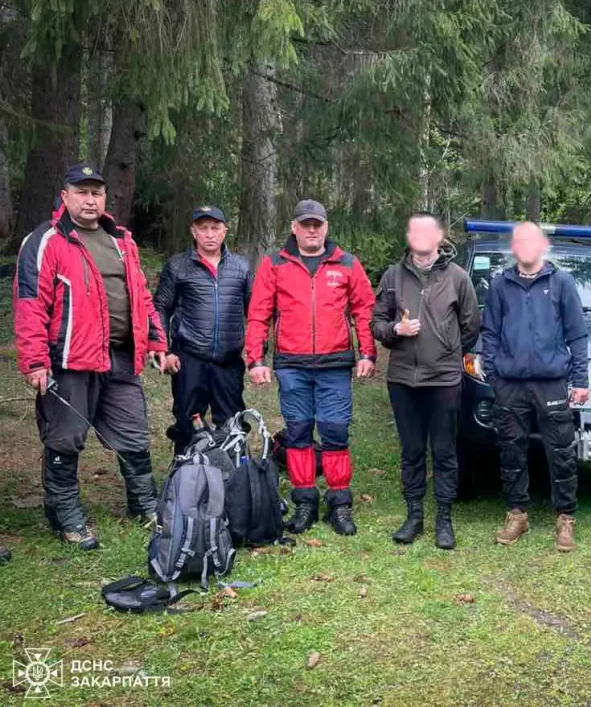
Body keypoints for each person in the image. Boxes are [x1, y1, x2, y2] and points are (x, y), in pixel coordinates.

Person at [13, 164, 167, 550]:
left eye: (96, 192)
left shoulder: (121, 240)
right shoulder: (46, 240)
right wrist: (34, 360)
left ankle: (146, 506)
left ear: (104, 198)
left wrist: (156, 340)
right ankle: (65, 515)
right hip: (69, 360)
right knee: (65, 438)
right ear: (65, 197)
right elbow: (30, 301)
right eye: (81, 192)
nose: (89, 199)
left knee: (133, 434)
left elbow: (140, 296)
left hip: (120, 357)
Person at [245, 199, 376, 536]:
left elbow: (364, 310)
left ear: (326, 227)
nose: (312, 230)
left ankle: (339, 503)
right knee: (298, 434)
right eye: (306, 224)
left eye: (317, 224)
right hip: (292, 366)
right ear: (294, 227)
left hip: (335, 365)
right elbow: (259, 312)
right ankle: (305, 501)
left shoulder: (346, 264)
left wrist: (367, 353)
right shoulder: (275, 264)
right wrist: (256, 359)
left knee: (335, 433)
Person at [371, 213, 481, 549]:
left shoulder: (458, 277)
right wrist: (395, 331)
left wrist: (446, 351)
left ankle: (443, 519)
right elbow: (376, 322)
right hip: (403, 379)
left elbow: (471, 326)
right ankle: (414, 514)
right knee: (412, 451)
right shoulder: (393, 276)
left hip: (444, 380)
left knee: (445, 452)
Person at [481, 221, 589, 552]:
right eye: (519, 241)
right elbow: (489, 333)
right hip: (510, 384)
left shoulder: (561, 283)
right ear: (514, 248)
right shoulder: (500, 284)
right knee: (511, 449)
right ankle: (517, 515)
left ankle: (565, 518)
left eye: (532, 240)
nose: (526, 246)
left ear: (542, 245)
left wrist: (580, 379)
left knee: (561, 452)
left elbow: (577, 333)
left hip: (552, 382)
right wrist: (493, 370)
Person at [153, 206, 252, 453]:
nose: (210, 234)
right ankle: (185, 481)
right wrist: (163, 349)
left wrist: (257, 352)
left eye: (215, 228)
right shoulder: (177, 266)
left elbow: (256, 312)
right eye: (203, 228)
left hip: (228, 361)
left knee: (232, 423)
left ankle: (232, 481)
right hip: (189, 359)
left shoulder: (241, 267)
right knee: (188, 423)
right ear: (193, 232)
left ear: (224, 231)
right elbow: (160, 308)